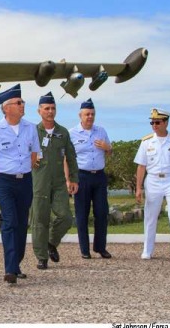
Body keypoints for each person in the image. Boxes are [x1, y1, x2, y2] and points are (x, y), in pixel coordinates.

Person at [0, 84, 39, 284]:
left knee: (22, 223)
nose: (22, 105)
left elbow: (34, 155)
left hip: (24, 180)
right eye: (18, 102)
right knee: (10, 221)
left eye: (22, 102)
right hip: (4, 181)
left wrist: (22, 171)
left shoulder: (31, 128)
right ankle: (10, 269)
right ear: (6, 108)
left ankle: (16, 264)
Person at [134, 108, 170, 265]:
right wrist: (138, 188)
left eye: (157, 122)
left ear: (166, 122)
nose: (154, 125)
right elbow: (141, 166)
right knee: (150, 217)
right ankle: (147, 250)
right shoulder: (146, 142)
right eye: (152, 122)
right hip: (152, 180)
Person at [31, 91, 79, 270]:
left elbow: (71, 157)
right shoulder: (32, 131)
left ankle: (51, 243)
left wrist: (73, 178)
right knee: (39, 221)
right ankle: (42, 257)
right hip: (39, 182)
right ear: (39, 111)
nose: (50, 111)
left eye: (53, 108)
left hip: (59, 182)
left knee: (65, 217)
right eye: (46, 108)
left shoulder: (63, 132)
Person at [68, 98, 113, 259]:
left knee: (101, 212)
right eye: (87, 114)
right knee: (82, 213)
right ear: (80, 115)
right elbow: (67, 158)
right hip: (81, 176)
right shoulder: (72, 133)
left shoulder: (101, 131)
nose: (90, 117)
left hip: (99, 176)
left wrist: (107, 148)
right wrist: (69, 180)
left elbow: (110, 151)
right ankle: (84, 249)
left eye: (92, 114)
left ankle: (100, 247)